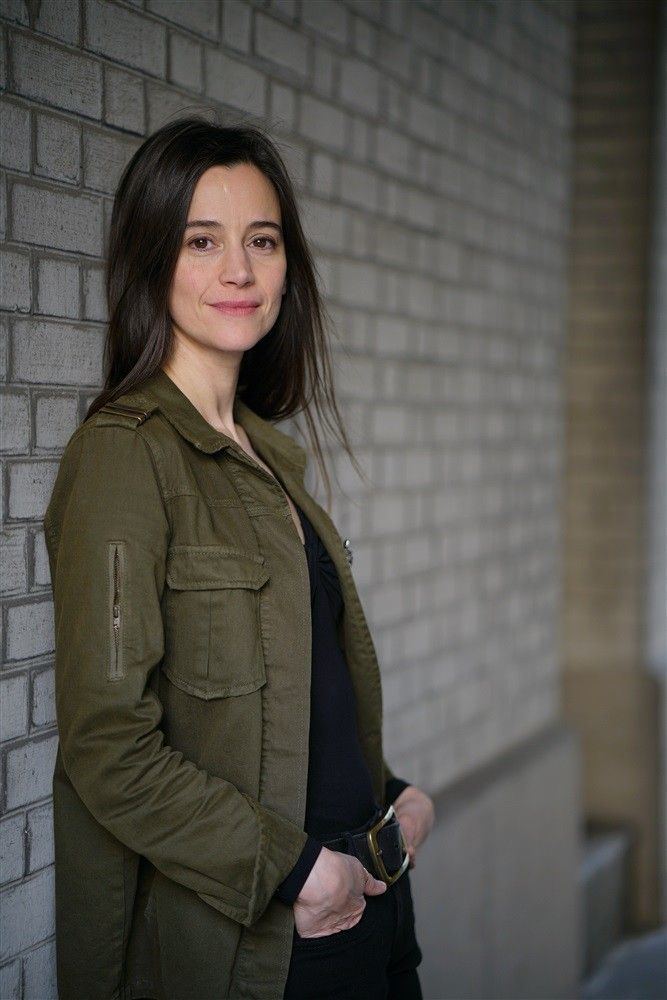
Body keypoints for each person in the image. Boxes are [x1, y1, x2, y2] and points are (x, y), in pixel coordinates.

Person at [44, 115, 435, 1000]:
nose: (239, 271)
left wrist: (399, 797)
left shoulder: (270, 461)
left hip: (374, 905)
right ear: (151, 260)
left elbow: (297, 705)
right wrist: (298, 872)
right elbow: (109, 747)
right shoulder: (124, 454)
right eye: (201, 241)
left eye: (262, 240)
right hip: (266, 948)